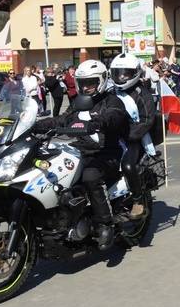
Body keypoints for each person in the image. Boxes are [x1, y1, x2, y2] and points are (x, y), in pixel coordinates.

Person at [34, 60, 129, 251]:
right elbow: (63, 119)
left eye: (90, 82)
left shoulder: (112, 101)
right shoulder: (78, 103)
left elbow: (115, 115)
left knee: (91, 176)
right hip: (81, 149)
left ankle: (105, 225)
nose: (85, 87)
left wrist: (99, 122)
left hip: (107, 151)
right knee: (54, 170)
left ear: (102, 81)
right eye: (82, 82)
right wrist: (35, 124)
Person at [109, 53, 156, 219]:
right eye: (118, 72)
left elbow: (147, 121)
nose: (121, 76)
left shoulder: (142, 94)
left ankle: (137, 200)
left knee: (128, 166)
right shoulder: (110, 91)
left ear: (135, 73)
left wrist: (129, 137)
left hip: (133, 139)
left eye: (125, 73)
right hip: (110, 137)